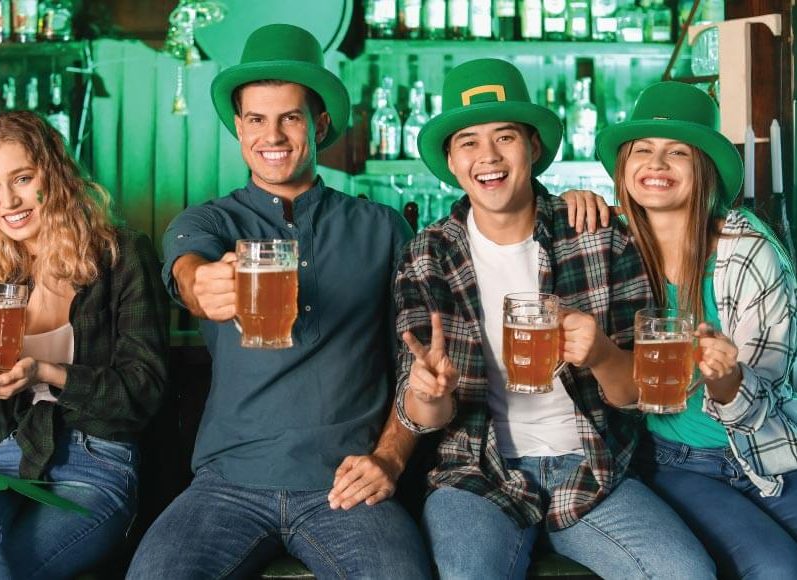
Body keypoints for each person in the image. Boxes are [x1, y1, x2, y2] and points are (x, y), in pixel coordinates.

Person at [126, 24, 431, 578]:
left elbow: (418, 363)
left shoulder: (382, 227)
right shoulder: (209, 221)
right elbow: (189, 270)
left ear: (317, 124)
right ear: (239, 129)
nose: (274, 134)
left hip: (345, 483)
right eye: (256, 119)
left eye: (290, 117)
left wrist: (390, 456)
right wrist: (204, 284)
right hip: (228, 484)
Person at [393, 58, 716, 579]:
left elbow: (637, 394)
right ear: (451, 161)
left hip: (592, 467)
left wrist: (604, 355)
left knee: (687, 574)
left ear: (534, 149)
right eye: (469, 142)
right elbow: (426, 419)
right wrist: (428, 394)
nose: (488, 157)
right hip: (477, 473)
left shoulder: (598, 233)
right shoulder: (426, 255)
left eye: (505, 137)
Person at [0, 111, 169, 579]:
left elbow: (143, 391)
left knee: (3, 568)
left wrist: (45, 372)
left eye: (22, 178)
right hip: (9, 457)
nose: (9, 201)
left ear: (55, 175)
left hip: (97, 465)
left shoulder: (121, 256)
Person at [595, 81, 797, 577]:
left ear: (703, 170)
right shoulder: (611, 249)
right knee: (776, 569)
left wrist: (727, 379)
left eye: (677, 152)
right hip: (677, 462)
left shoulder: (749, 251)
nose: (657, 164)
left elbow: (767, 390)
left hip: (768, 449)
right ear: (624, 169)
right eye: (642, 150)